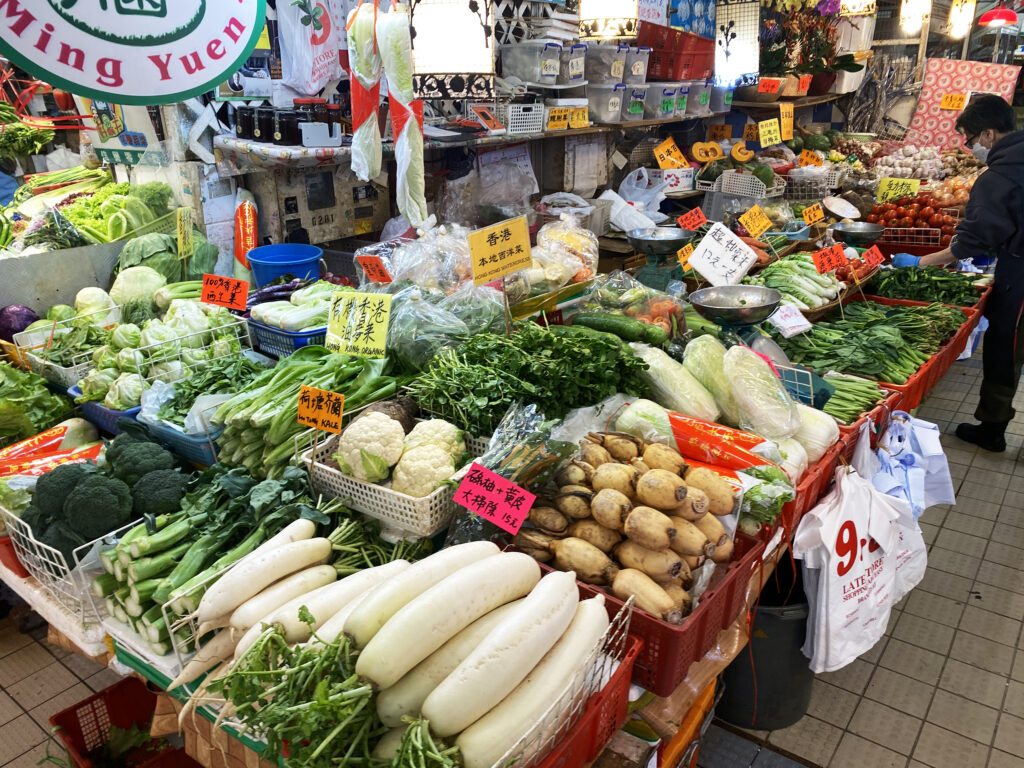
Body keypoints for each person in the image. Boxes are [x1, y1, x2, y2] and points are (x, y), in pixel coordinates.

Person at [893, 94, 1023, 452]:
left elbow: (972, 242)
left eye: (970, 139)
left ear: (989, 134)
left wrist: (920, 262)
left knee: (1005, 345)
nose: (969, 148)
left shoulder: (1000, 175)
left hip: (1021, 272)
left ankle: (993, 430)